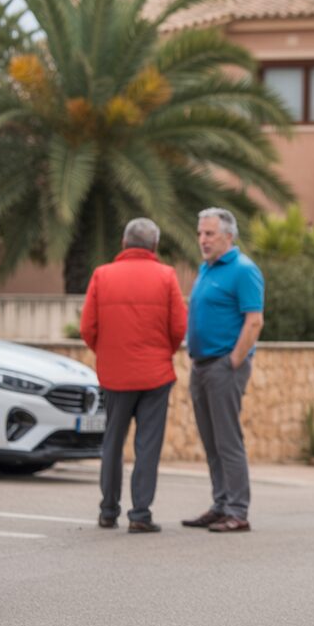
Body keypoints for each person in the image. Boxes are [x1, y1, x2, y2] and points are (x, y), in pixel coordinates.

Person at [81, 217, 187, 534]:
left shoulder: (102, 275)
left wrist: (109, 353)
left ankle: (108, 510)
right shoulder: (167, 276)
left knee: (112, 442)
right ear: (154, 245)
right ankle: (140, 514)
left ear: (124, 244)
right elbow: (179, 328)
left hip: (115, 376)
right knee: (148, 446)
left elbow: (88, 328)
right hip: (156, 375)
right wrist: (160, 353)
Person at [181, 207, 264, 533]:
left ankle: (237, 511)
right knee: (211, 439)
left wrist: (233, 362)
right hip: (201, 365)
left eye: (209, 233)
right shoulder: (206, 269)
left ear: (228, 236)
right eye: (200, 233)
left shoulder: (244, 270)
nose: (202, 239)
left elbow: (254, 320)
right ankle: (220, 504)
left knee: (227, 440)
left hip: (223, 367)